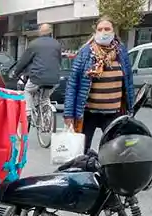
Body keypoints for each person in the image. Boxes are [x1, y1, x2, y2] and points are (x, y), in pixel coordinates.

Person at [64, 18, 137, 154]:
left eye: (107, 29)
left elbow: (128, 82)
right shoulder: (85, 54)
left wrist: (130, 109)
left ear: (114, 32)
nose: (104, 32)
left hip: (114, 114)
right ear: (95, 32)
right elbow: (72, 85)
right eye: (100, 29)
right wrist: (69, 114)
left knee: (115, 152)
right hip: (88, 114)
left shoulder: (121, 53)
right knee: (80, 152)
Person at [10, 24, 63, 106]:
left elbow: (23, 61)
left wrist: (16, 72)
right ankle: (46, 114)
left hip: (37, 78)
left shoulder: (34, 44)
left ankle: (28, 114)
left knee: (28, 91)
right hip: (54, 79)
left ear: (40, 32)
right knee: (45, 98)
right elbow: (59, 61)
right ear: (50, 33)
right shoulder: (57, 44)